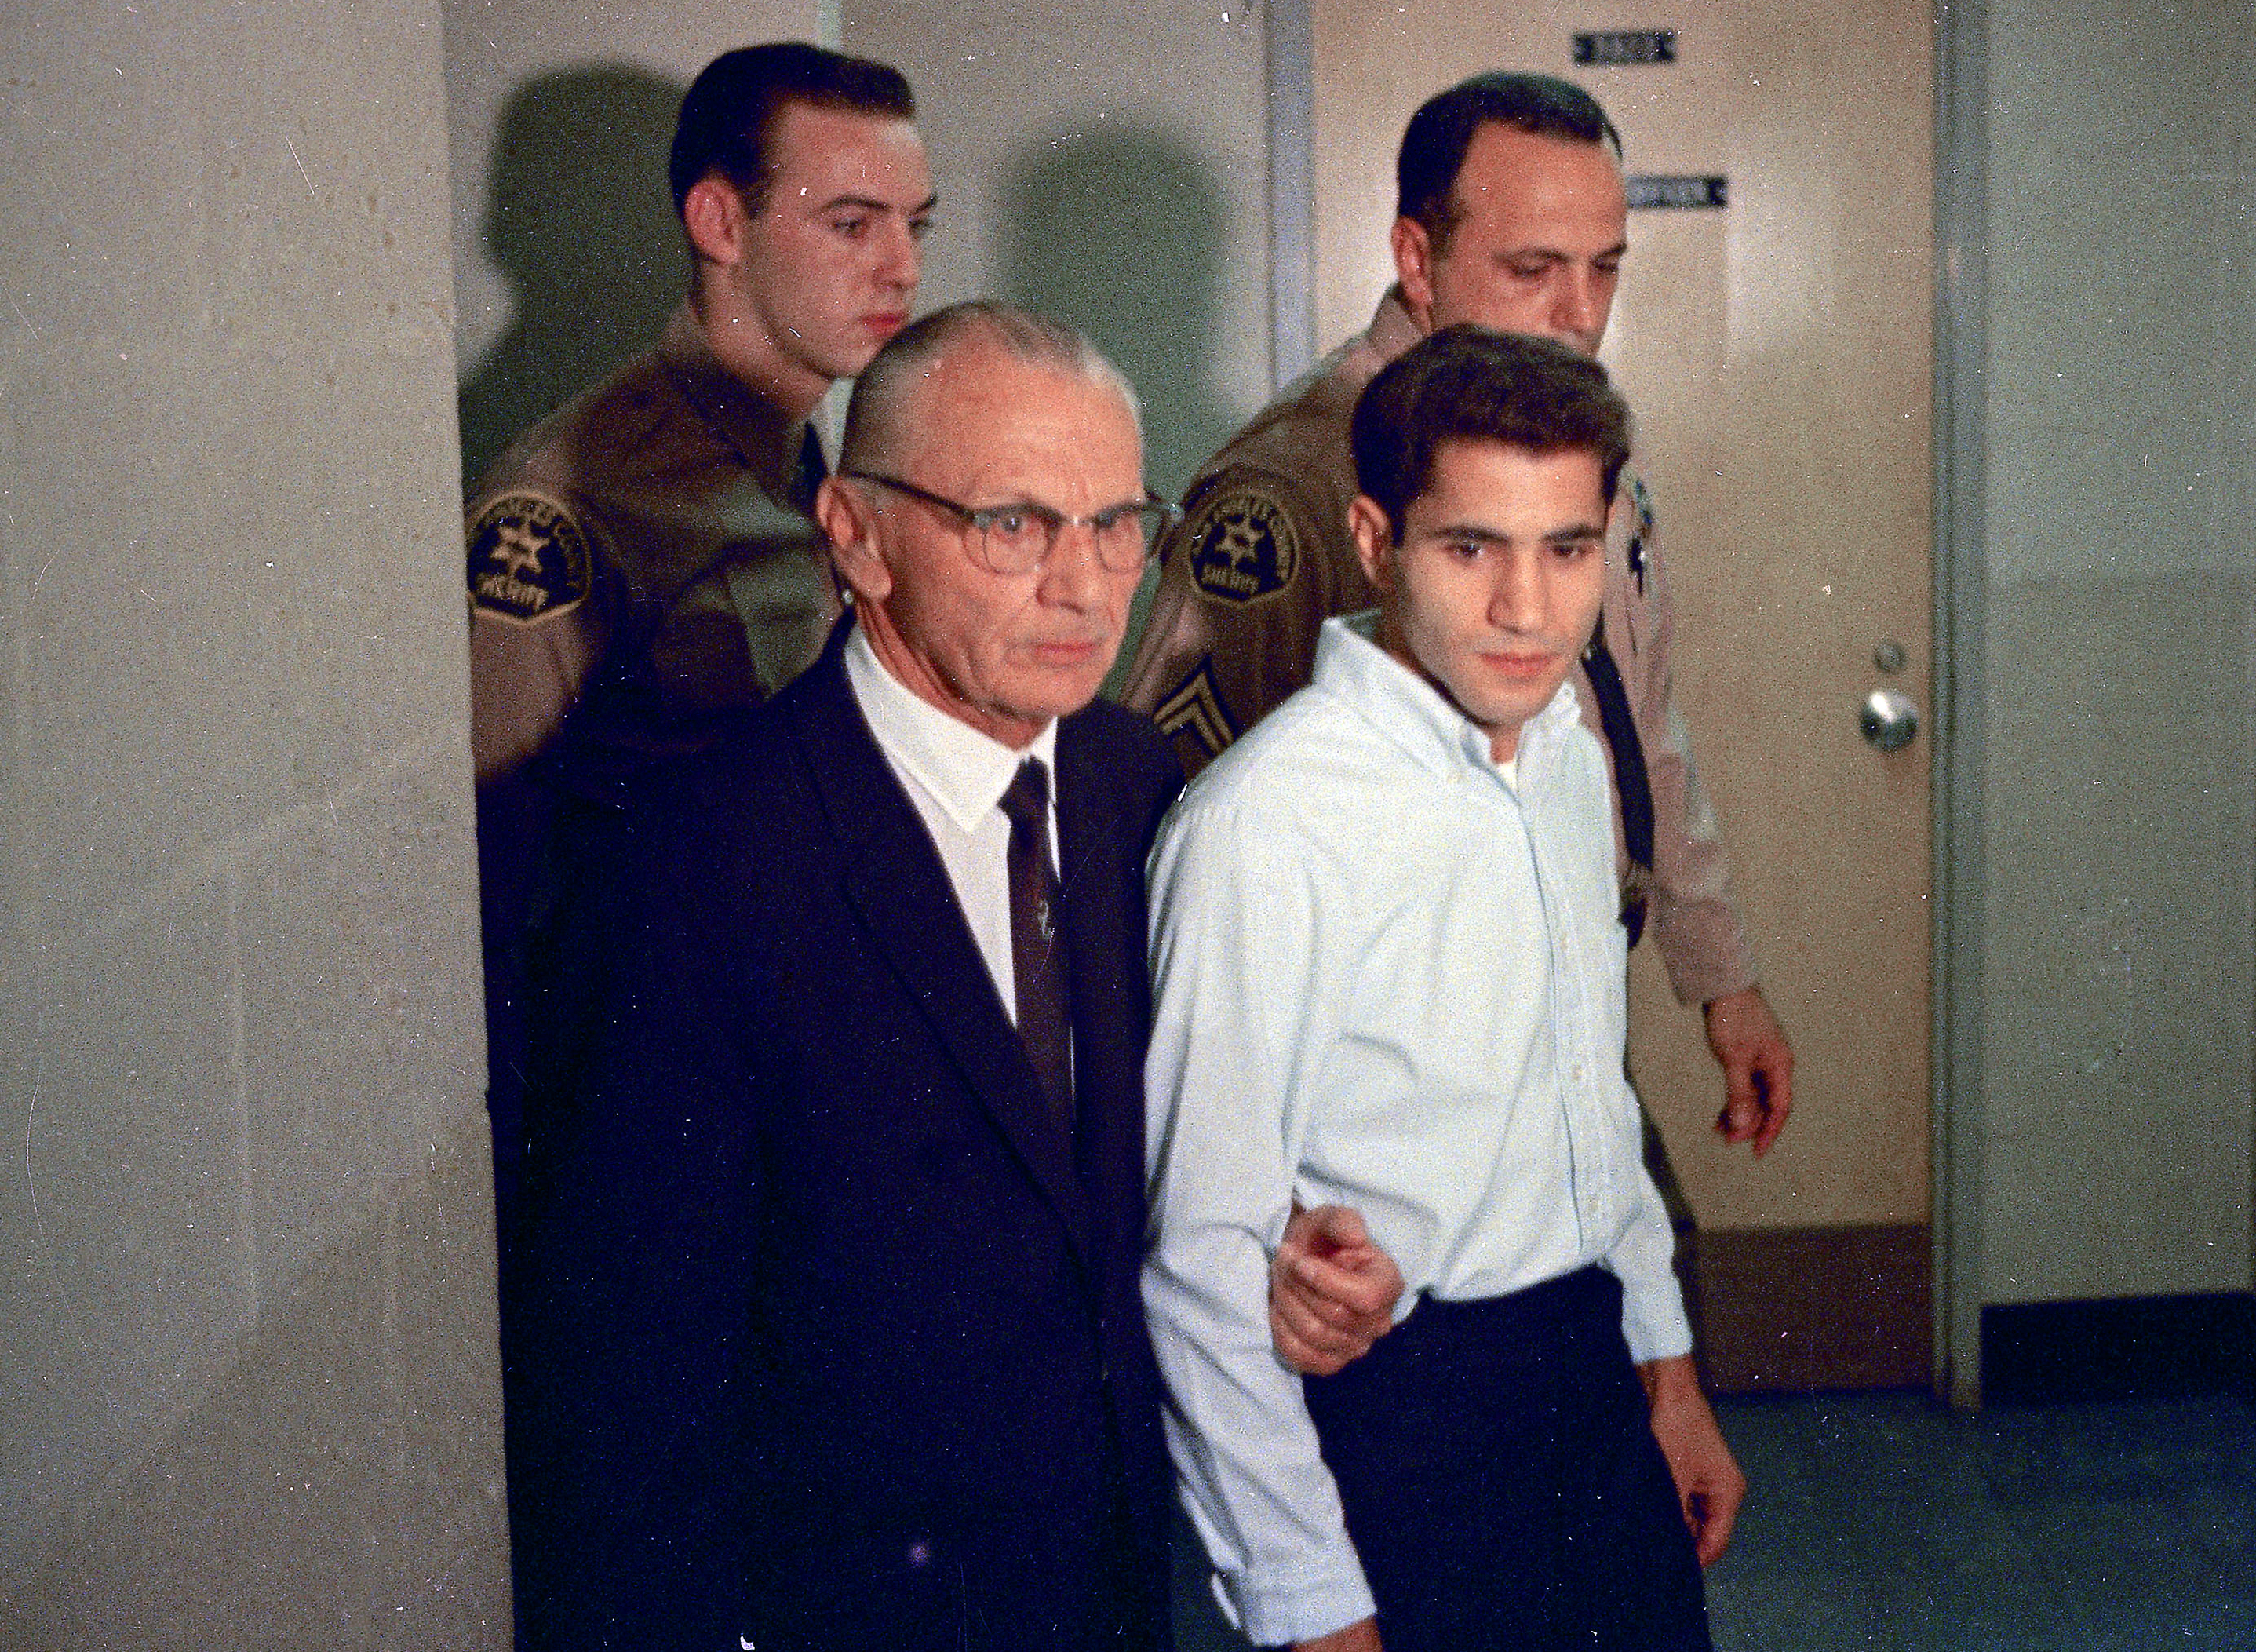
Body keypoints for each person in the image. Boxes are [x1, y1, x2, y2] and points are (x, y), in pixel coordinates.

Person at [498, 302, 1183, 1650]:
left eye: (1116, 523)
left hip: (1111, 1582)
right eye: (1013, 525)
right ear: (855, 536)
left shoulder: (1138, 789)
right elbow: (629, 1395)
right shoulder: (689, 870)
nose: (1088, 586)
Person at [1123, 78, 1791, 1362]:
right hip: (1393, 1119)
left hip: (1560, 1015)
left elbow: (1637, 726)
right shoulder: (1299, 489)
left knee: (1644, 1341)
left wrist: (1721, 976)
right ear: (1415, 260)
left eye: (1606, 267)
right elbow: (1158, 831)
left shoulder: (1568, 436)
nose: (1580, 313)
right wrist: (1264, 1221)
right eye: (1534, 267)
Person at [1143, 326, 1743, 1652]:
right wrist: (1311, 1605)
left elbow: (1593, 1109)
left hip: (1589, 1375)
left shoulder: (1569, 757)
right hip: (1401, 1418)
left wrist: (1670, 1378)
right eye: (1471, 549)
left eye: (1568, 551)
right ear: (1374, 540)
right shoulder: (1266, 826)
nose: (1529, 610)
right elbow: (1200, 1263)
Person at [465, 40, 934, 782]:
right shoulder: (568, 501)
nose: (903, 269)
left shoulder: (806, 453)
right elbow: (505, 858)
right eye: (852, 225)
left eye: (916, 226)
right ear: (719, 223)